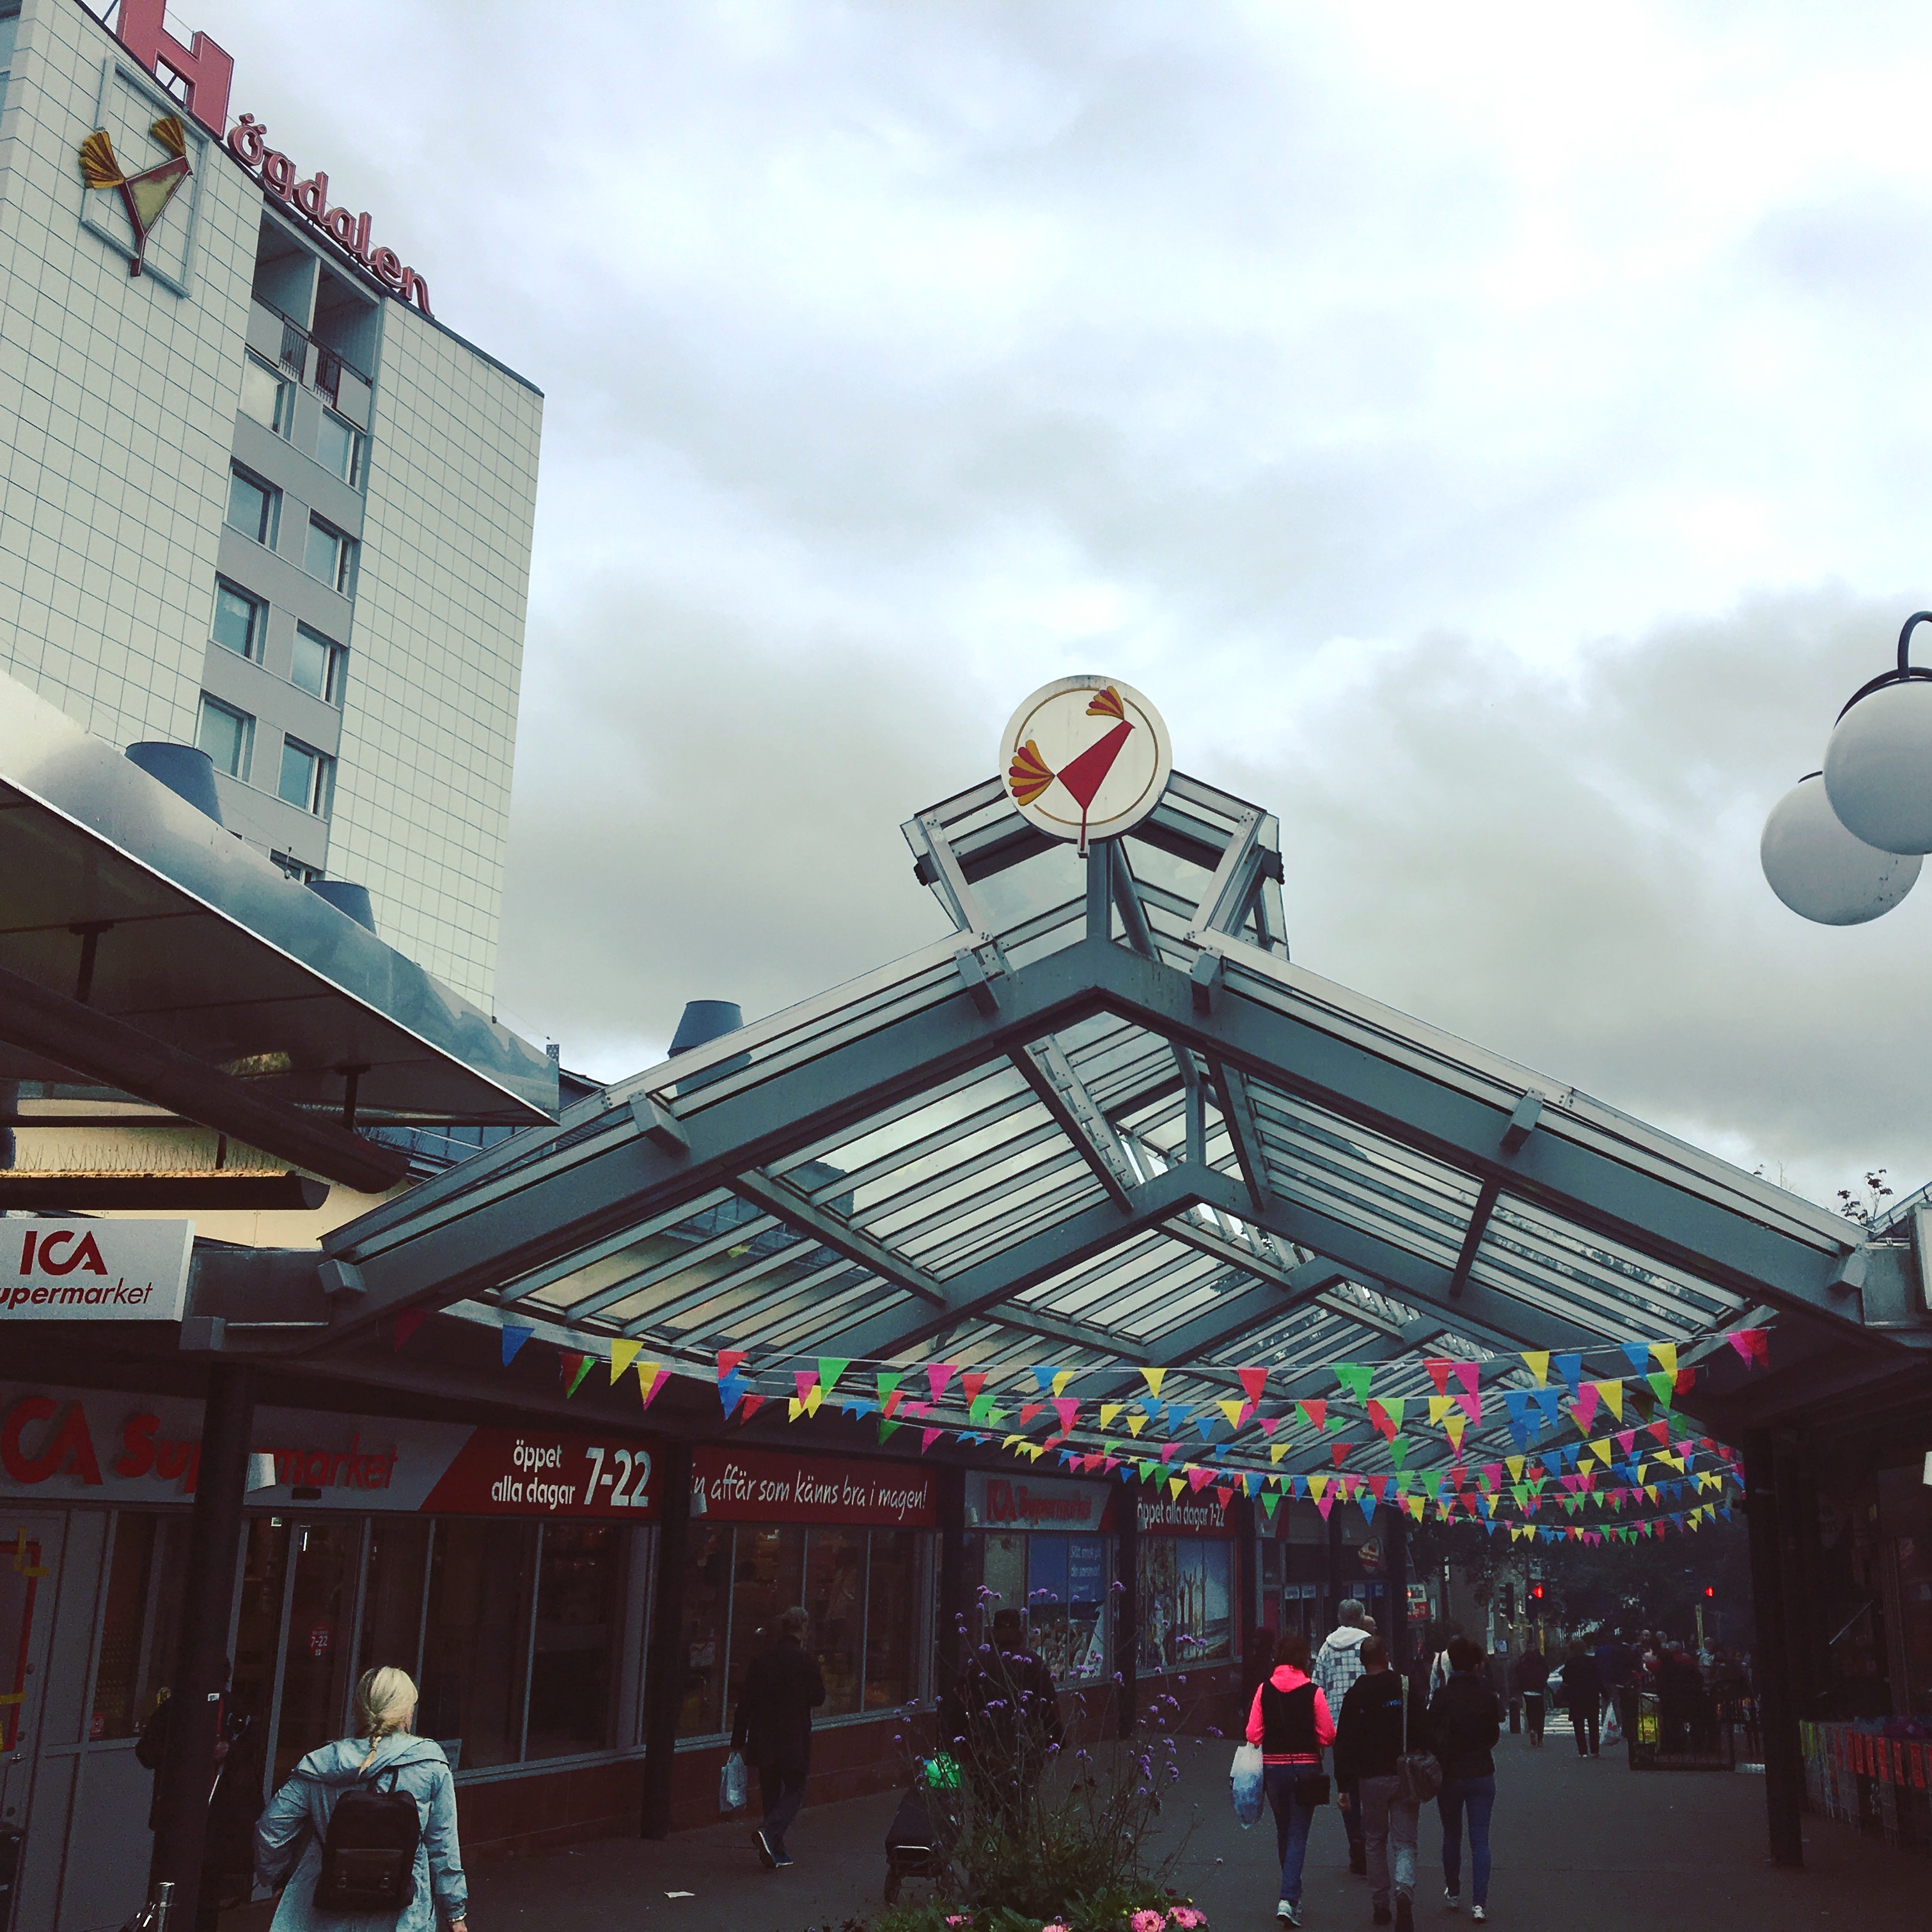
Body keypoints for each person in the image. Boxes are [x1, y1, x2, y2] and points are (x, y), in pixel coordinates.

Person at [255, 1666, 466, 1932]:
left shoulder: (319, 1764)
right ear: (406, 1711)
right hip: (403, 1913)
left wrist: (278, 1878)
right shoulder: (430, 1765)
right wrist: (455, 1913)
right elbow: (443, 1846)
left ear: (359, 1708)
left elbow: (272, 1829)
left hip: (327, 1906)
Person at [136, 1660, 264, 1932]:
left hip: (216, 1814)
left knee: (206, 1891)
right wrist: (180, 1749)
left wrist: (230, 1751)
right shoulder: (173, 1710)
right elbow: (146, 1753)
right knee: (170, 1884)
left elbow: (251, 1750)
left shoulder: (236, 1712)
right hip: (178, 1814)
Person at [939, 1606, 1064, 1823]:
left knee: (985, 1804)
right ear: (1019, 1632)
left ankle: (984, 1839)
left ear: (994, 1633)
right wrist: (1056, 1739)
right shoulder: (1032, 1662)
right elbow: (1049, 1706)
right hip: (1023, 1748)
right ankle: (1013, 1840)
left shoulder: (977, 1663)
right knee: (1017, 1806)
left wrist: (959, 1743)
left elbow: (958, 1705)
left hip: (985, 1748)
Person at [1247, 1629, 1337, 1928]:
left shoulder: (1264, 1690)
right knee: (1299, 1832)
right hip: (1306, 1769)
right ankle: (1288, 1898)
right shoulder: (1313, 1692)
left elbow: (1253, 1733)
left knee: (1284, 1830)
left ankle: (1292, 1891)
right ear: (1303, 1659)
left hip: (1274, 1769)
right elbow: (1328, 1735)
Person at [732, 1604, 827, 1869]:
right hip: (793, 1737)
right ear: (803, 1628)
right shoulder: (806, 1660)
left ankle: (775, 1848)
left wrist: (737, 1740)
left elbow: (746, 1702)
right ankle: (769, 1832)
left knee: (771, 1790)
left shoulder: (762, 1659)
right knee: (796, 1789)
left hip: (763, 1735)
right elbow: (818, 1698)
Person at [1333, 1635, 1418, 1932]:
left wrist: (1344, 1785)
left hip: (1369, 1778)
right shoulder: (1404, 1687)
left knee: (1374, 1839)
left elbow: (1344, 1743)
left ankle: (1381, 1903)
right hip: (1404, 1774)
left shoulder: (1355, 1695)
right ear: (1386, 1656)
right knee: (1405, 1841)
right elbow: (1423, 1727)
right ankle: (1404, 1891)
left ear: (1362, 1662)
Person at [1427, 1636, 1500, 1923]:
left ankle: (1454, 1891)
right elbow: (1493, 1733)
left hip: (1451, 1774)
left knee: (1451, 1834)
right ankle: (1479, 1902)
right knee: (1480, 1839)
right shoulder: (1486, 1694)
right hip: (1481, 1770)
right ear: (1475, 1663)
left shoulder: (1442, 1696)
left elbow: (1432, 1733)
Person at [1313, 1599, 1374, 1876]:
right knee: (1371, 1786)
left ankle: (1355, 1841)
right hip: (1369, 1727)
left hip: (1339, 1729)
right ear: (1361, 1618)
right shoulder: (1369, 1645)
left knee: (1347, 1789)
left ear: (1339, 1618)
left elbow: (1317, 1689)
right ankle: (1371, 1842)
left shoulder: (1327, 1647)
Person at [1562, 1641, 1603, 1757]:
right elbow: (1598, 1678)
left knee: (1578, 1724)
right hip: (1591, 1696)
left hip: (1576, 1696)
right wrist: (1604, 1693)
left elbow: (1566, 1679)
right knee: (1593, 1723)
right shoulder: (1591, 1661)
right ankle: (1595, 1750)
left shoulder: (1570, 1663)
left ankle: (1583, 1751)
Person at [1513, 1638, 1550, 1747]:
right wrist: (1542, 1682)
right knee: (1540, 1713)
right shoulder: (1540, 1659)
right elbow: (1546, 1671)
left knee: (1530, 1711)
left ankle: (1533, 1728)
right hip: (1538, 1689)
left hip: (1528, 1689)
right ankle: (1540, 1737)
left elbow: (1517, 1672)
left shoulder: (1523, 1659)